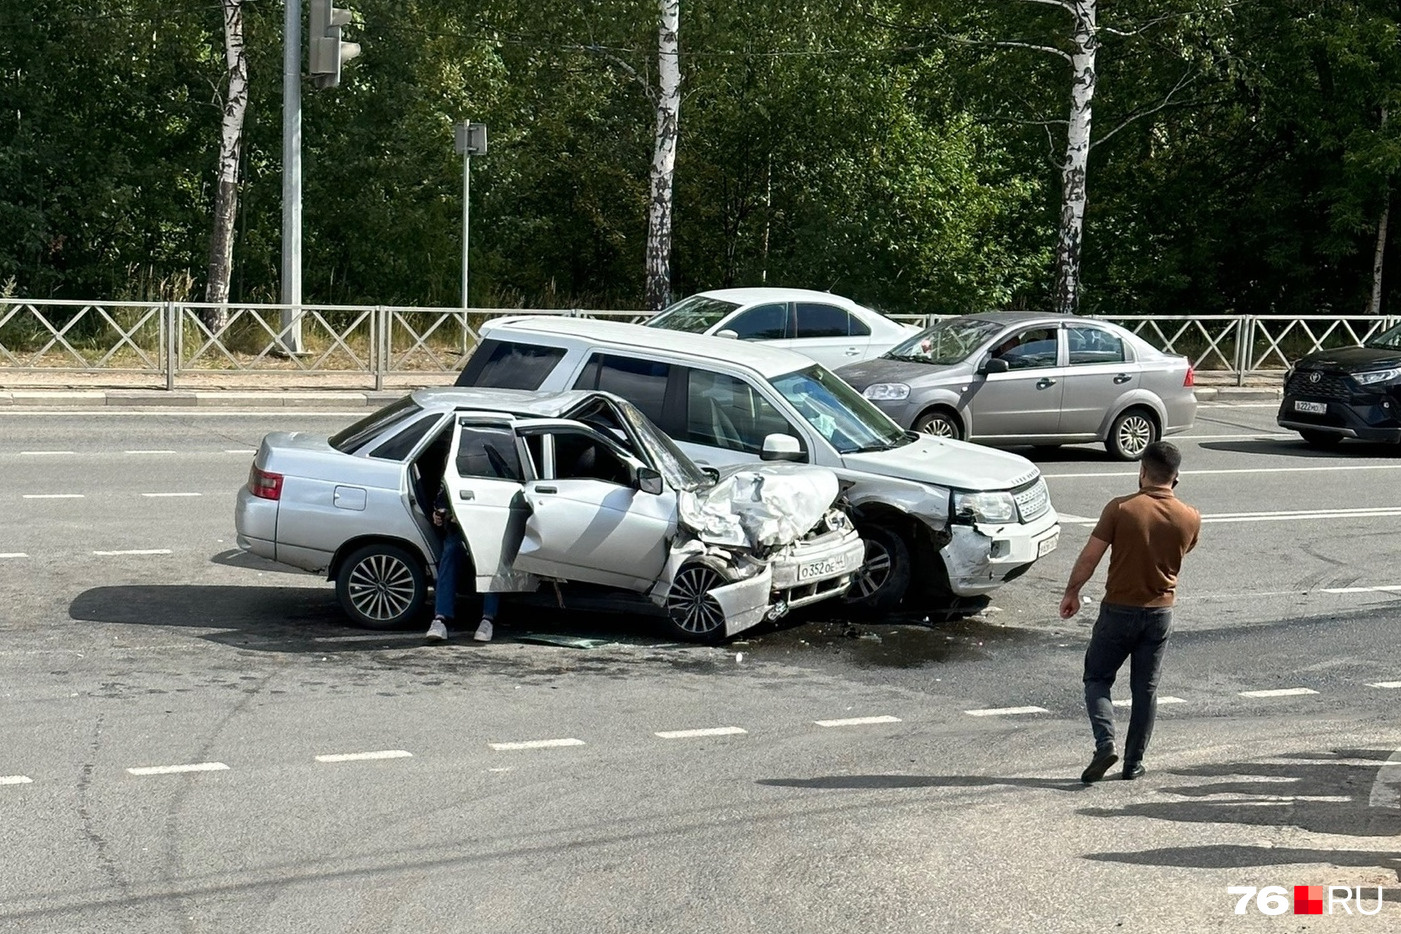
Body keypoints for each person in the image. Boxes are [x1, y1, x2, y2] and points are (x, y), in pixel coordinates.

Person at [1059, 440, 1201, 783]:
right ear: (1176, 477)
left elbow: (1090, 557)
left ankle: (1105, 742)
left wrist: (1072, 591)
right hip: (1160, 615)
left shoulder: (1120, 509)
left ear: (1142, 472)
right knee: (1145, 690)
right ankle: (1133, 764)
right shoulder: (1191, 517)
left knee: (1097, 678)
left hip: (1118, 611)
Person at [426, 490, 497, 644]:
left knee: (491, 555)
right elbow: (442, 502)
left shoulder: (497, 470)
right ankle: (440, 619)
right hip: (460, 531)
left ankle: (488, 619)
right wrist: (442, 514)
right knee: (451, 551)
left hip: (490, 530)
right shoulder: (457, 470)